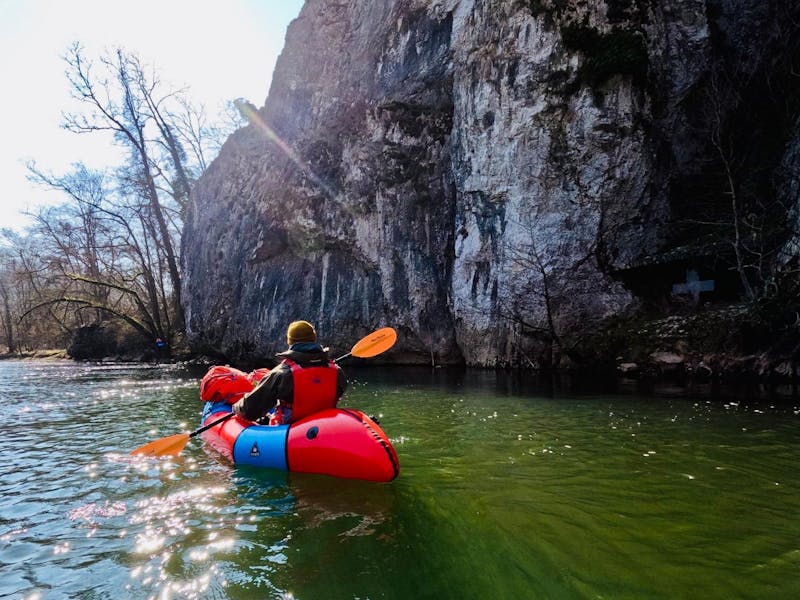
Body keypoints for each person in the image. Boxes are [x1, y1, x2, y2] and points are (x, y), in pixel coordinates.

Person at [232, 320, 347, 425]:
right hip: (326, 427)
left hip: (290, 432)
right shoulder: (337, 371)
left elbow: (250, 410)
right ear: (313, 339)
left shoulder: (282, 373)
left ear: (290, 342)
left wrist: (236, 408)